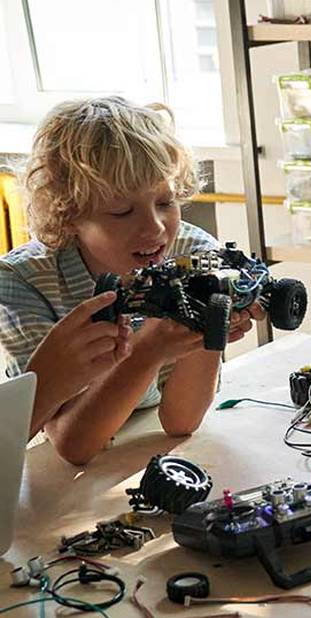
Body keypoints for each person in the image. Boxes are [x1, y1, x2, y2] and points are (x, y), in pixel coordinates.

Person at [0, 96, 261, 464]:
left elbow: (181, 422)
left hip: (141, 444)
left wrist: (209, 324)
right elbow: (72, 445)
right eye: (121, 211)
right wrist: (148, 349)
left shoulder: (193, 251)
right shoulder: (22, 282)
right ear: (69, 215)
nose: (154, 228)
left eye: (165, 203)